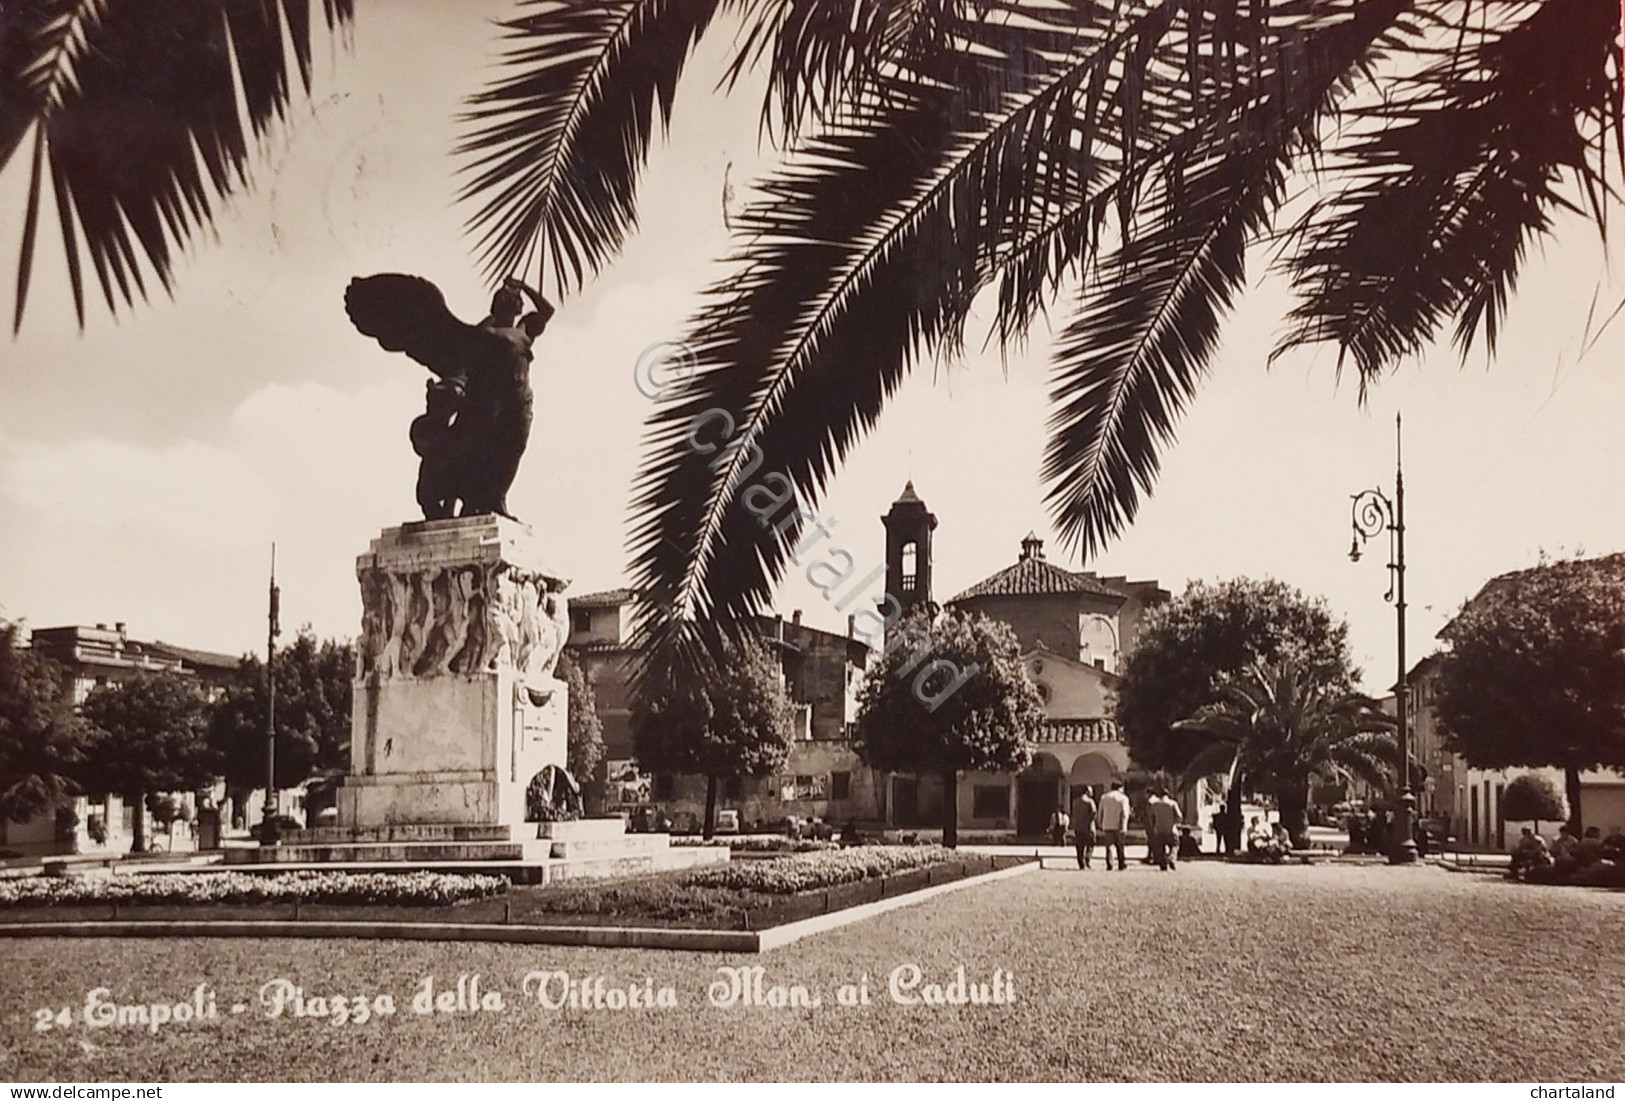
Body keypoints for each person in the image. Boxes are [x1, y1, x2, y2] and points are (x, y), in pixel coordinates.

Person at [1146, 786, 1183, 870]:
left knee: (1160, 848)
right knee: (1175, 845)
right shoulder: (1172, 803)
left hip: (1158, 829)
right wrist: (1174, 822)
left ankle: (1163, 864)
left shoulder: (1154, 804)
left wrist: (1154, 825)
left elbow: (1151, 817)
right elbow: (1179, 816)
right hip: (1171, 829)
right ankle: (1172, 858)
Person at [1098, 781, 1131, 871]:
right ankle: (1121, 863)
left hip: (1107, 824)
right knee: (1120, 846)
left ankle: (1110, 864)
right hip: (1119, 825)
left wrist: (1100, 822)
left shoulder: (1104, 797)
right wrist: (1123, 825)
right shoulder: (1123, 798)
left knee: (1109, 846)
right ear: (1120, 788)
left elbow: (1100, 811)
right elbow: (1124, 813)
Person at [1071, 788, 1098, 870]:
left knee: (1079, 846)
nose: (1092, 793)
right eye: (1091, 791)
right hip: (1089, 827)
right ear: (1087, 792)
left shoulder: (1075, 802)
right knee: (1091, 844)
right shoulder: (1090, 802)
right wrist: (1090, 821)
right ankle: (1087, 859)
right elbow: (1094, 813)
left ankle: (1081, 863)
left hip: (1078, 827)